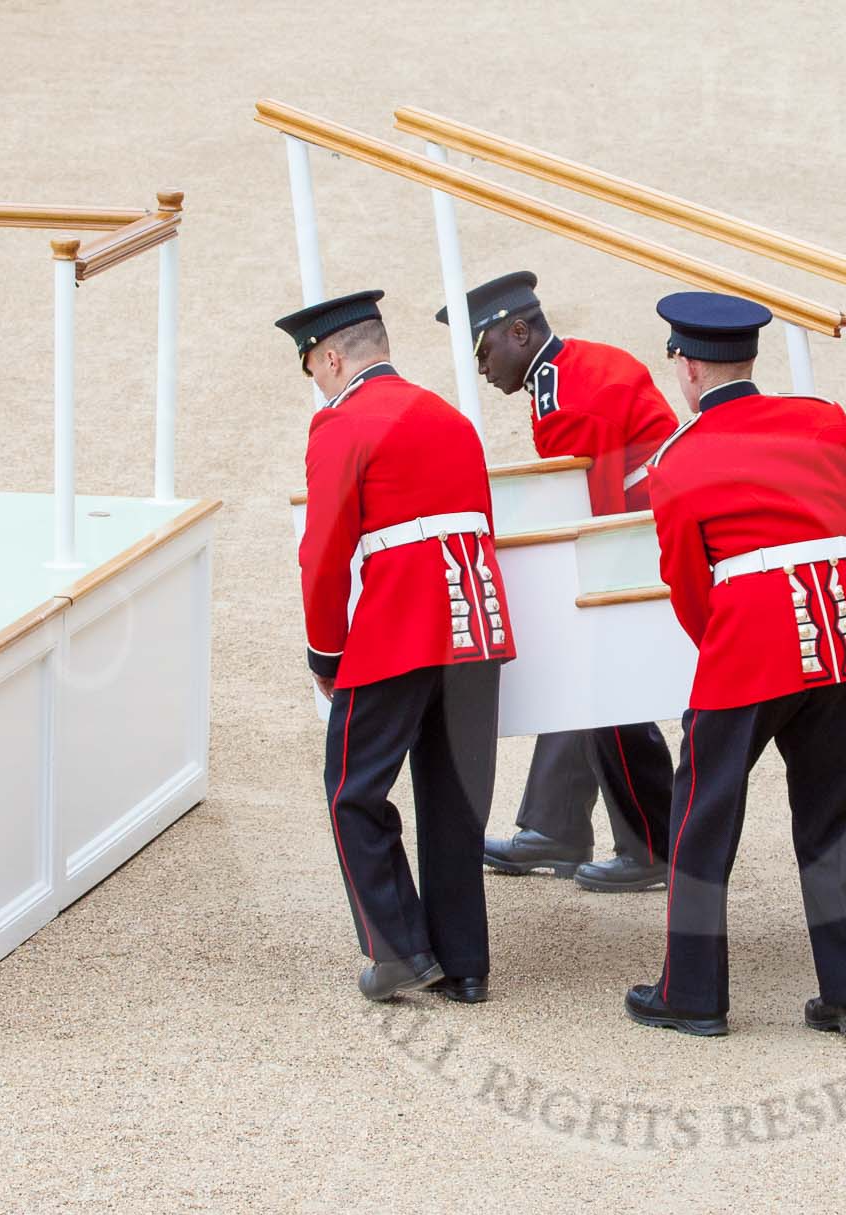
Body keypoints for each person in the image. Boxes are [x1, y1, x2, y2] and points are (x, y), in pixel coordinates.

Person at [623, 291, 846, 1038]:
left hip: (748, 642)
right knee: (836, 820)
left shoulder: (675, 459)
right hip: (839, 629)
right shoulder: (823, 418)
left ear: (688, 365)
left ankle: (695, 994)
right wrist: (833, 602)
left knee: (702, 822)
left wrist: (732, 638)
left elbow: (686, 582)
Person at [278, 289, 516, 1005]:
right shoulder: (450, 416)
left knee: (353, 790)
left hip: (399, 628)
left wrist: (327, 651)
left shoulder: (340, 425)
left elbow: (322, 555)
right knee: (454, 798)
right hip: (475, 626)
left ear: (331, 356)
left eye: (313, 368)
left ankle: (399, 949)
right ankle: (464, 962)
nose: (317, 382)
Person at [435, 271, 676, 892]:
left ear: (519, 331)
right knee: (591, 680)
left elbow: (584, 507)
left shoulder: (565, 399)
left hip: (634, 541)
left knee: (606, 689)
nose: (483, 371)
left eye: (485, 351)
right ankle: (556, 824)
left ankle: (652, 842)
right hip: (647, 526)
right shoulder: (583, 365)